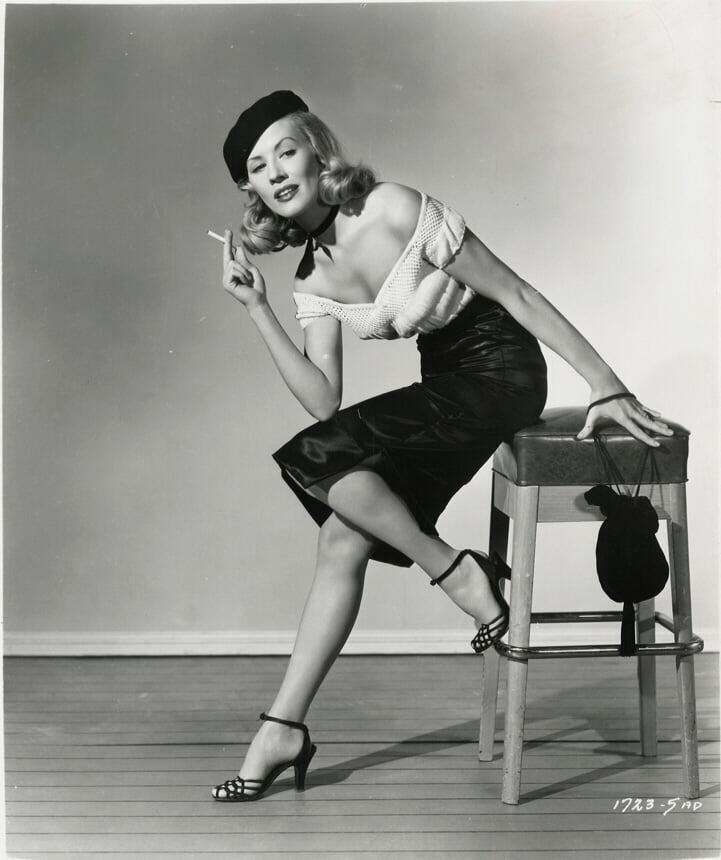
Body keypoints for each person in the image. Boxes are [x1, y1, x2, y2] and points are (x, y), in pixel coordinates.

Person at [210, 90, 672, 802]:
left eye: (285, 151)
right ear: (253, 193)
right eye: (257, 167)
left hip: (502, 371)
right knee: (340, 534)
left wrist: (604, 383)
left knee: (319, 457)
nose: (275, 172)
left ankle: (461, 579)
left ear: (316, 150)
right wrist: (257, 309)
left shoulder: (393, 206)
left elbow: (514, 292)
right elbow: (323, 398)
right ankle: (284, 727)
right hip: (445, 389)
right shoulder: (311, 276)